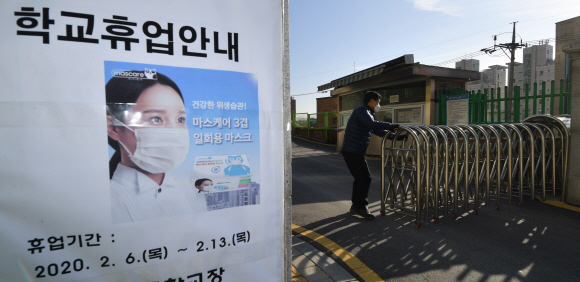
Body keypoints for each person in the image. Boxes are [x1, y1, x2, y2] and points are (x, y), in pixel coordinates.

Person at [106, 71, 195, 223]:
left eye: (180, 119)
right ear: (114, 128)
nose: (173, 132)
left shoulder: (191, 190)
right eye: (155, 118)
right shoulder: (105, 200)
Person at [341, 91, 403, 220]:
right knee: (365, 178)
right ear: (372, 101)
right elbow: (372, 125)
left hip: (354, 151)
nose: (379, 105)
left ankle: (356, 206)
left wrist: (396, 137)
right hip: (352, 151)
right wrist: (390, 125)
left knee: (360, 178)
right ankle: (361, 207)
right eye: (378, 102)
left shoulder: (367, 113)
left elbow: (377, 130)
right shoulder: (361, 111)